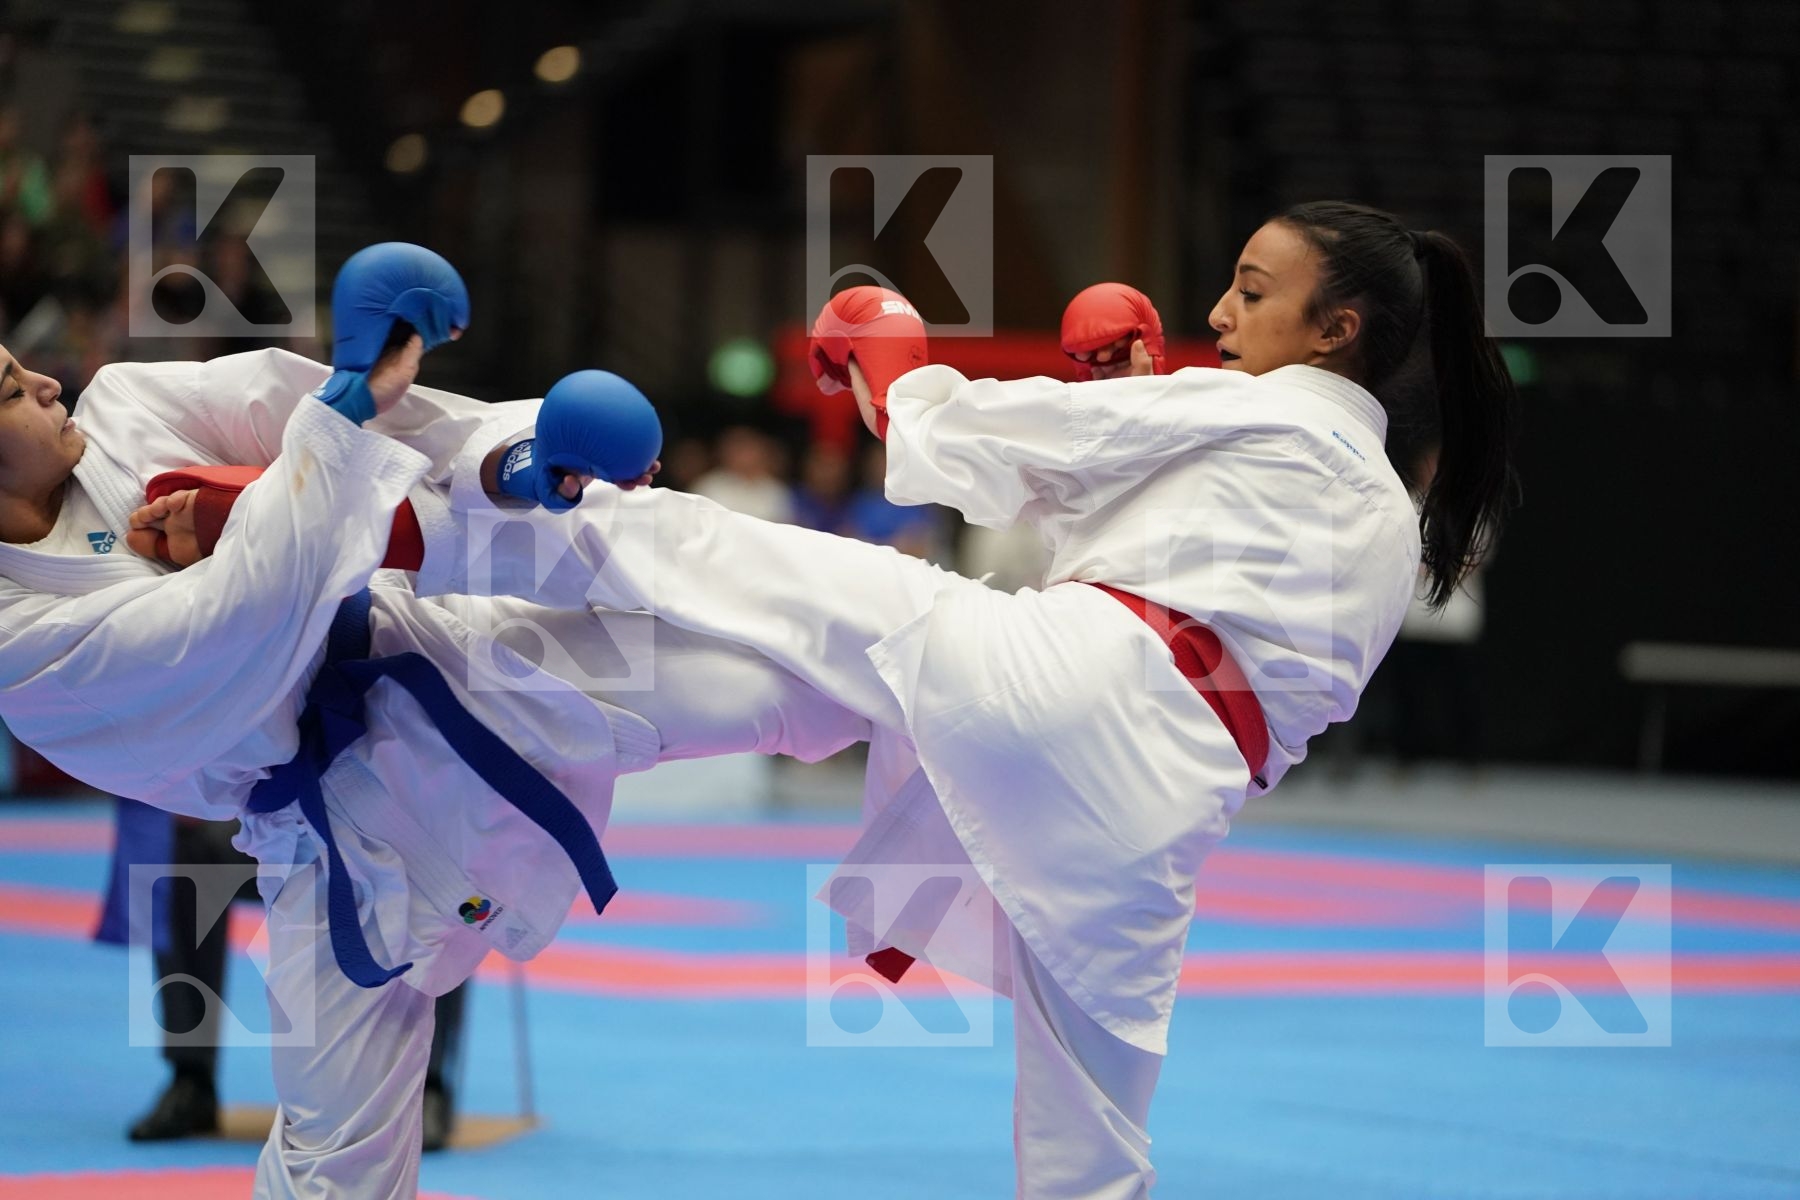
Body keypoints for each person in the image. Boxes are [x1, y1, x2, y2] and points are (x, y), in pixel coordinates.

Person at [498, 202, 1518, 1197]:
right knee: (1093, 1140)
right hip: (1162, 807)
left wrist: (890, 361)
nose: (1219, 311)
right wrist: (1139, 409)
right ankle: (516, 677)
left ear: (1337, 331)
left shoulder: (1263, 406)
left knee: (770, 578)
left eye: (1252, 293)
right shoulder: (1393, 518)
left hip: (1067, 680)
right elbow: (1167, 580)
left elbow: (1018, 437)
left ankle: (466, 511)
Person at [0, 244, 868, 1198]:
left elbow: (391, 425)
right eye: (12, 391)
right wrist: (304, 457)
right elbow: (236, 626)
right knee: (341, 1162)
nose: (47, 379)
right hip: (332, 839)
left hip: (440, 659)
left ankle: (967, 648)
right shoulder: (18, 637)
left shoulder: (125, 407)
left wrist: (511, 462)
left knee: (773, 682)